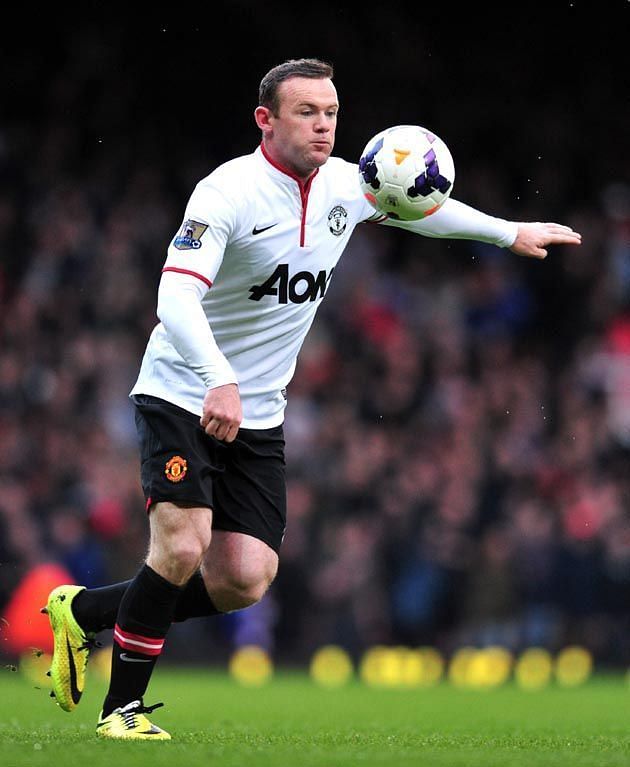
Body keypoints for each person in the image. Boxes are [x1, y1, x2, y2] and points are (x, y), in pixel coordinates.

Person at [42, 57, 581, 740]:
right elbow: (174, 294)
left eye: (330, 113)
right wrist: (217, 376)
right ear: (265, 119)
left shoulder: (347, 184)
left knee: (245, 578)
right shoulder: (227, 192)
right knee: (181, 546)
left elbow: (421, 208)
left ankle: (83, 612)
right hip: (184, 389)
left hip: (260, 411)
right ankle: (120, 711)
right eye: (307, 112)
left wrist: (508, 232)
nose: (324, 126)